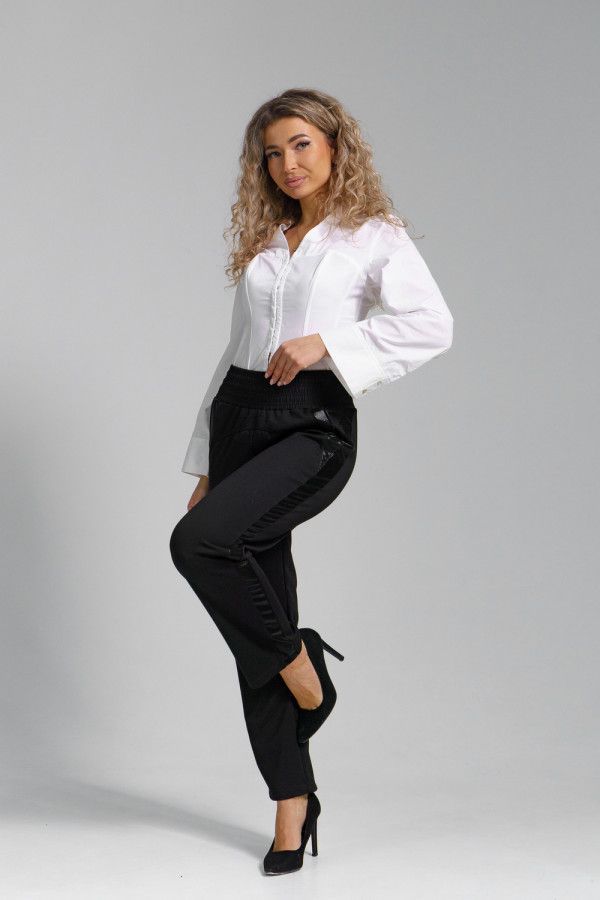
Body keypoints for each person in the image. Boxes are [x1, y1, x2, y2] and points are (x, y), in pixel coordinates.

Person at [169, 87, 453, 876]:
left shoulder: (373, 234)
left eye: (300, 144)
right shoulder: (267, 241)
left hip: (310, 423)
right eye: (272, 152)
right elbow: (234, 355)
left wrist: (326, 344)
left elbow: (431, 324)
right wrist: (207, 463)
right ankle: (292, 804)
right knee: (252, 604)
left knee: (199, 547)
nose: (287, 163)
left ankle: (301, 662)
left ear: (334, 146)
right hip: (240, 418)